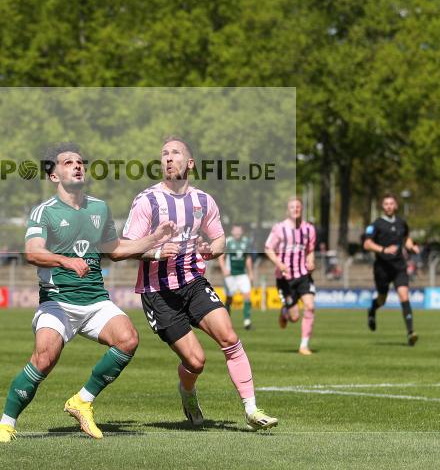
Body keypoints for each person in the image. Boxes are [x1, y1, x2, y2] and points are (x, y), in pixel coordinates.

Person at [0, 143, 176, 442]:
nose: (77, 166)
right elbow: (33, 252)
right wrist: (65, 260)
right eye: (67, 163)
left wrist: (154, 240)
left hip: (95, 301)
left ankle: (82, 400)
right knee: (44, 359)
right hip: (57, 303)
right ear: (53, 176)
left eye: (80, 162)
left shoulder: (99, 208)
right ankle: (6, 423)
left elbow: (114, 250)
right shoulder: (44, 212)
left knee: (128, 339)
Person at [123, 137, 278, 431]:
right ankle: (188, 392)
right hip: (159, 293)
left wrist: (212, 248)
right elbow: (126, 247)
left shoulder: (203, 201)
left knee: (230, 337)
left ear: (190, 163)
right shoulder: (147, 200)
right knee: (196, 362)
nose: (169, 158)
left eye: (176, 153)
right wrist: (155, 250)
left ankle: (251, 409)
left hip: (194, 283)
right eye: (164, 154)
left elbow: (219, 238)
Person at [363, 193, 421, 346]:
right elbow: (367, 244)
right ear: (383, 206)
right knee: (382, 300)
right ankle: (372, 310)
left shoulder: (402, 223)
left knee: (404, 296)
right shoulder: (376, 224)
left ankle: (410, 333)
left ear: (396, 206)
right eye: (386, 203)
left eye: (391, 203)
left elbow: (406, 238)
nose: (389, 206)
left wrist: (411, 246)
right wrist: (383, 250)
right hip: (382, 268)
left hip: (399, 267)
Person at [264, 197, 317, 355]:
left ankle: (304, 345)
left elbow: (311, 249)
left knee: (310, 306)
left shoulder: (309, 229)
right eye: (292, 207)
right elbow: (268, 248)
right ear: (287, 210)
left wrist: (311, 261)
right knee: (294, 317)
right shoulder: (279, 228)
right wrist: (279, 264)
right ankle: (285, 311)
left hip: (303, 275)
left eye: (298, 207)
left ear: (302, 209)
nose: (296, 209)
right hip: (285, 278)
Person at [219, 225, 255, 330]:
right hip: (230, 275)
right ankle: (227, 322)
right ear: (232, 231)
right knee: (229, 299)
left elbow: (247, 258)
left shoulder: (246, 241)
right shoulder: (228, 241)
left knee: (247, 295)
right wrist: (224, 270)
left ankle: (247, 322)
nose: (238, 232)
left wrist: (251, 272)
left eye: (239, 230)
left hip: (242, 274)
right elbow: (221, 257)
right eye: (236, 231)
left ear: (242, 231)